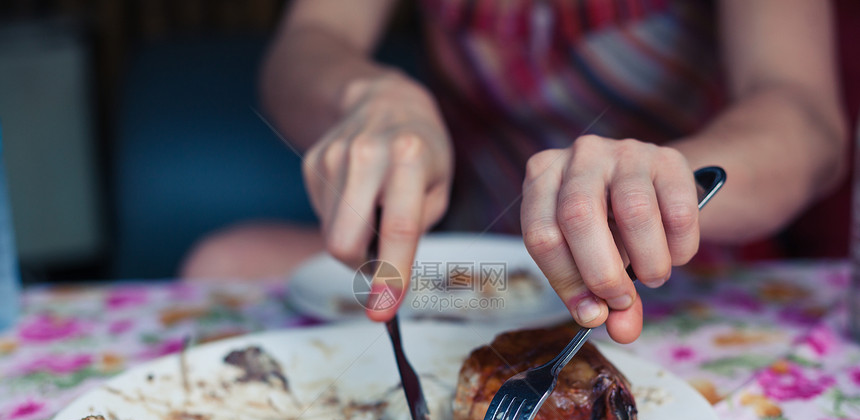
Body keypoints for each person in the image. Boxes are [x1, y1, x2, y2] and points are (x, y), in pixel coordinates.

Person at [181, 0, 847, 344]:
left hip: (657, 271)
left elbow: (804, 116)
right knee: (221, 261)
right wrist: (364, 94)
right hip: (488, 274)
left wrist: (661, 184)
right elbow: (308, 42)